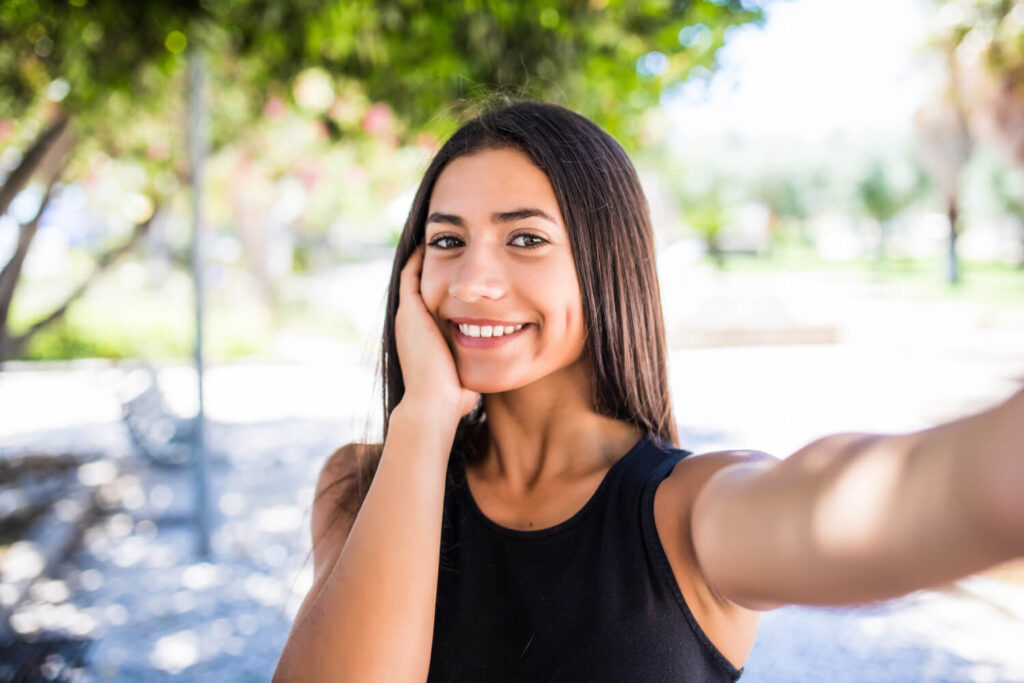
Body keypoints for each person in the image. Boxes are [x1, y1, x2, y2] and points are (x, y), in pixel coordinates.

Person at [273, 101, 1024, 682]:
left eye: (525, 237)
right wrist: (425, 417)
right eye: (447, 240)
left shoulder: (689, 510)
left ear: (608, 266)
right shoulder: (361, 481)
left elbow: (889, 495)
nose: (473, 281)